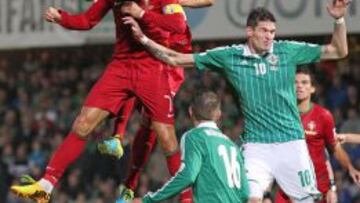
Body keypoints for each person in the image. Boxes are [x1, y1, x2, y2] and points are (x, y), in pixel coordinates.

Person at [123, 1, 351, 202]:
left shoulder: (287, 51)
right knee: (250, 199)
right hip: (256, 146)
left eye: (272, 31)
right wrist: (143, 39)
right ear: (249, 31)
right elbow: (176, 58)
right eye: (264, 31)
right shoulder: (230, 56)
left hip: (292, 142)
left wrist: (339, 19)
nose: (269, 36)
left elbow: (338, 50)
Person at [10, 0, 192, 202]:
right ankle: (45, 186)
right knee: (82, 123)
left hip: (153, 67)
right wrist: (62, 18)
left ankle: (187, 199)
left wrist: (141, 14)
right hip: (121, 67)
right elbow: (87, 20)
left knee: (167, 139)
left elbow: (178, 24)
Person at [95, 0, 214, 200]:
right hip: (150, 53)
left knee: (150, 124)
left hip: (171, 60)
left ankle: (132, 184)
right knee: (130, 77)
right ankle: (119, 142)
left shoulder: (167, 5)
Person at [133, 91, 249, 203]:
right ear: (218, 115)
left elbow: (188, 176)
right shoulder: (232, 145)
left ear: (190, 111)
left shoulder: (194, 137)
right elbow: (245, 192)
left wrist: (149, 199)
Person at [274, 67, 360, 203]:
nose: (299, 86)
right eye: (295, 82)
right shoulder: (280, 116)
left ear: (313, 89)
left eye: (304, 82)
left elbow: (334, 148)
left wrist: (349, 168)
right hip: (288, 186)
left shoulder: (323, 116)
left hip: (317, 186)